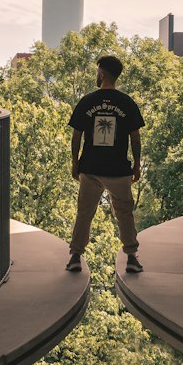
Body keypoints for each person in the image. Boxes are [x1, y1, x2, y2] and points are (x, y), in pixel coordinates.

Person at [66, 55, 144, 273]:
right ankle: (131, 258)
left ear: (101, 73)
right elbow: (135, 138)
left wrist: (75, 163)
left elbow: (76, 136)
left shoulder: (87, 101)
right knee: (124, 213)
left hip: (90, 168)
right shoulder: (126, 103)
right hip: (118, 169)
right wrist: (136, 165)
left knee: (84, 212)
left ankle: (75, 256)